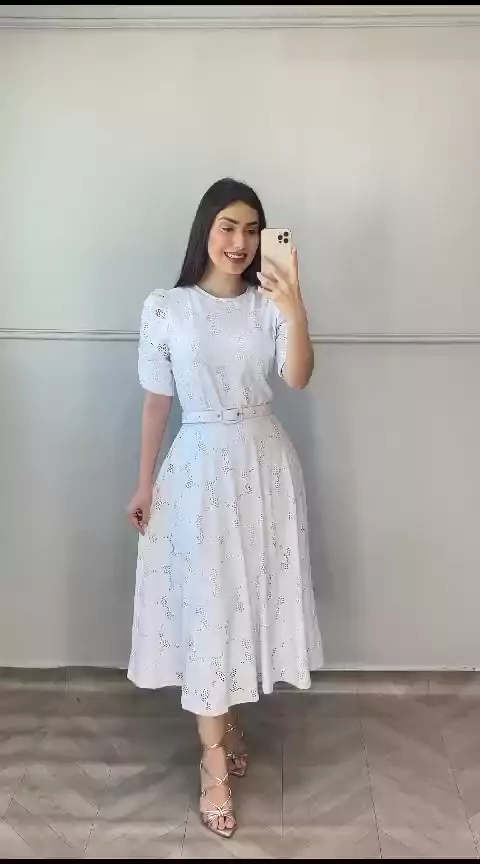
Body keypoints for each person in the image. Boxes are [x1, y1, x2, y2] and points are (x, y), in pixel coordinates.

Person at [127, 178, 323, 838]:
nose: (240, 242)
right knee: (209, 602)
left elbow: (298, 377)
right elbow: (156, 402)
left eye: (252, 230)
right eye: (228, 227)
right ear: (206, 230)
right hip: (198, 467)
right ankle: (212, 761)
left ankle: (229, 719)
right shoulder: (167, 307)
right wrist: (144, 483)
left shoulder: (269, 304)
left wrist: (294, 306)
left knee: (247, 597)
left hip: (263, 464)